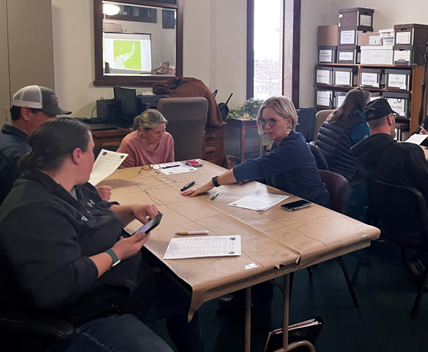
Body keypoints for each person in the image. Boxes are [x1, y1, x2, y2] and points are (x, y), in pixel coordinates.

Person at [0, 118, 203, 352]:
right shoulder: (34, 210)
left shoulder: (74, 184)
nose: (94, 157)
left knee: (186, 296)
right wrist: (116, 254)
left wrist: (128, 210)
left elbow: (96, 212)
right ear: (77, 155)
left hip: (120, 286)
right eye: (91, 149)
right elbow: (56, 286)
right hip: (81, 314)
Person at [182, 96, 330, 314]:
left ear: (289, 121)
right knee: (248, 230)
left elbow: (258, 166)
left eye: (273, 121)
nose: (267, 127)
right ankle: (247, 295)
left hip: (310, 211)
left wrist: (213, 183)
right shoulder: (284, 142)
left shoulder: (293, 147)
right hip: (288, 204)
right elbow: (264, 170)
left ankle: (257, 302)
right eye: (263, 121)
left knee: (259, 243)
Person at [351, 98, 428, 286]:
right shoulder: (407, 152)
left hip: (388, 221)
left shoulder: (361, 154)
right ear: (390, 119)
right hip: (417, 222)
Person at [0, 85, 111, 205]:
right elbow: (39, 200)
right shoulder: (20, 154)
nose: (54, 121)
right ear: (26, 113)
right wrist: (89, 198)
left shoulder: (9, 140)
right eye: (50, 115)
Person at [316, 87, 370, 182]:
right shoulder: (358, 125)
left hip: (326, 173)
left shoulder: (331, 118)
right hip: (345, 175)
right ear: (364, 105)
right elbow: (370, 151)